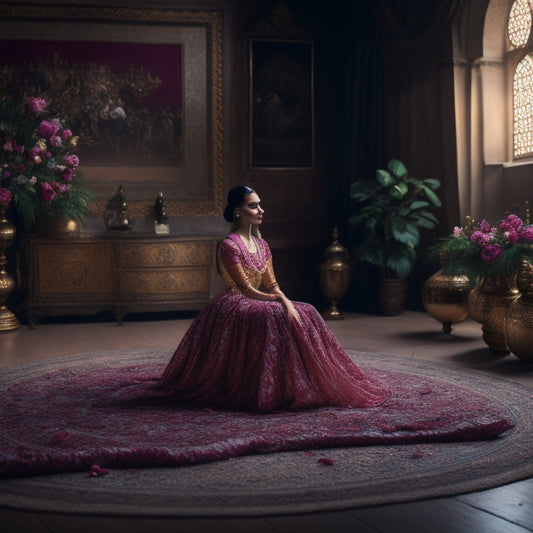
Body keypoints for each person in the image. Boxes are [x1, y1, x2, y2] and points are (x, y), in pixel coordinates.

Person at [157, 185, 389, 412]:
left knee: (308, 310)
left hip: (260, 297)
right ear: (238, 210)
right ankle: (270, 388)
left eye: (260, 205)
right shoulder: (229, 246)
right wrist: (280, 302)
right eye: (253, 206)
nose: (261, 210)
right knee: (274, 314)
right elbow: (246, 289)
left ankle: (305, 381)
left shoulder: (262, 245)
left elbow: (273, 284)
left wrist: (284, 299)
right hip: (235, 302)